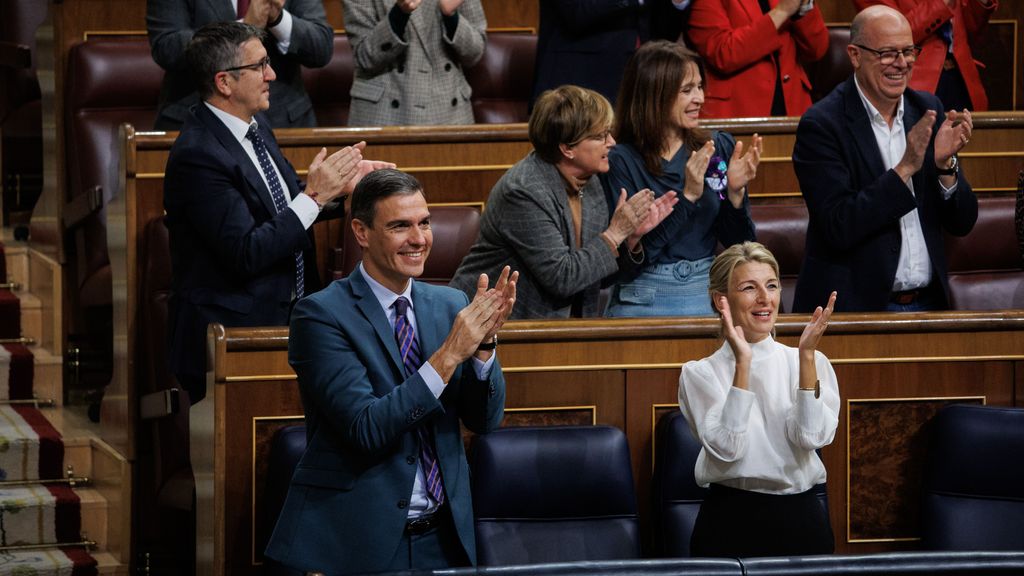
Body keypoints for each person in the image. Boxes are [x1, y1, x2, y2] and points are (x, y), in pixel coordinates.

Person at [265, 169, 516, 574]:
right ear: (361, 232)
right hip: (360, 543)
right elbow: (366, 427)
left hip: (446, 539)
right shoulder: (321, 315)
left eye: (424, 223)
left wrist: (484, 346)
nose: (419, 239)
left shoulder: (449, 302)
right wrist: (449, 355)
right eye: (401, 226)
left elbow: (484, 421)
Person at [164, 21, 390, 403]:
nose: (272, 75)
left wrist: (342, 191)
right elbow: (247, 251)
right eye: (260, 66)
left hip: (295, 317)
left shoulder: (256, 126)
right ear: (225, 82)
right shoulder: (197, 156)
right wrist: (316, 195)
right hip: (235, 335)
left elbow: (284, 209)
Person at [791, 5, 977, 313]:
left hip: (929, 306)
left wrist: (945, 165)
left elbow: (963, 222)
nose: (901, 63)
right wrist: (905, 168)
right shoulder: (822, 124)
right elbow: (839, 225)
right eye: (888, 53)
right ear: (854, 55)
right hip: (856, 311)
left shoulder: (927, 109)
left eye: (908, 51)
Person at [449, 85, 678, 319]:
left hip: (561, 329)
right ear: (567, 148)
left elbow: (595, 276)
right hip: (498, 325)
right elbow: (562, 278)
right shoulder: (523, 191)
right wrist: (614, 234)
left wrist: (629, 239)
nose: (612, 142)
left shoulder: (590, 182)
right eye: (600, 136)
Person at [679, 241, 839, 558]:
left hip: (803, 518)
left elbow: (811, 437)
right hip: (731, 521)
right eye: (749, 288)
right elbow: (728, 448)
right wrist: (743, 365)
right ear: (720, 300)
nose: (765, 298)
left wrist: (805, 356)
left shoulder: (810, 361)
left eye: (771, 285)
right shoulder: (701, 374)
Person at [605, 41, 759, 317]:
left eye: (700, 87)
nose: (699, 98)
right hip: (641, 296)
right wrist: (687, 197)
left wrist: (735, 195)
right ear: (655, 95)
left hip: (704, 292)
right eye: (687, 90)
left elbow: (740, 243)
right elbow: (628, 265)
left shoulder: (715, 149)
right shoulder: (620, 160)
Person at [147, 0, 332, 130]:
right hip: (199, 122)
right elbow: (167, 47)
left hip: (283, 121)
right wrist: (244, 27)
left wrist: (278, 19)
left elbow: (321, 47)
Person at [342, 0, 486, 126]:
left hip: (449, 112)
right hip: (383, 113)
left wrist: (451, 16)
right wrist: (400, 13)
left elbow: (475, 53)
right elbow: (364, 57)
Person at [531, 0, 693, 108]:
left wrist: (676, 3)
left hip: (640, 85)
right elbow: (576, 13)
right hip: (578, 85)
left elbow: (662, 35)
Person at [686, 0, 828, 118]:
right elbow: (723, 54)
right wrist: (781, 13)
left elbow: (817, 50)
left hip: (793, 108)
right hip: (738, 111)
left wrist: (803, 8)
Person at [854, 0, 998, 112]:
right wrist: (942, 3)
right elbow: (889, 35)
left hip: (961, 78)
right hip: (910, 81)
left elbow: (973, 32)